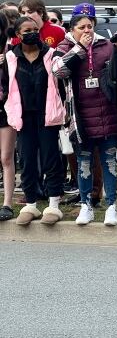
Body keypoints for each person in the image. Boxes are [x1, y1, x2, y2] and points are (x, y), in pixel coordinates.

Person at [52, 3, 117, 226]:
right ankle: (86, 205)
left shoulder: (105, 45)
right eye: (82, 27)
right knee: (83, 162)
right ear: (72, 29)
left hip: (107, 113)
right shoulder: (63, 48)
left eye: (90, 26)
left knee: (109, 161)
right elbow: (59, 70)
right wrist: (80, 50)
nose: (87, 30)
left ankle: (111, 205)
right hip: (80, 117)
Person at [3, 16, 66, 225]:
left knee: (51, 158)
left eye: (34, 29)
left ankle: (54, 203)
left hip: (47, 115)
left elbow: (62, 82)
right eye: (26, 30)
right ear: (18, 35)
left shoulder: (51, 55)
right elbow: (6, 86)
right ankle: (30, 203)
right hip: (23, 117)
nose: (31, 33)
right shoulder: (11, 57)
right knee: (27, 160)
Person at [0, 9, 16, 221]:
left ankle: (7, 203)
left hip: (6, 108)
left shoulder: (10, 50)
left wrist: (5, 62)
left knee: (6, 157)